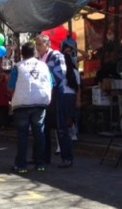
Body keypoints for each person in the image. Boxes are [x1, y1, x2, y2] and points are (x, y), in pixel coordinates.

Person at [8, 42, 53, 174]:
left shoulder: (18, 67)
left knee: (22, 135)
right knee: (39, 133)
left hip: (22, 104)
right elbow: (51, 83)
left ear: (21, 53)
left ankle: (21, 165)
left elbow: (10, 87)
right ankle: (40, 163)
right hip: (40, 102)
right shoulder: (44, 66)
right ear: (35, 53)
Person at [35, 34, 74, 168]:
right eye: (37, 45)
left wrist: (44, 83)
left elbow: (59, 75)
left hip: (57, 94)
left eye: (40, 44)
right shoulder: (37, 60)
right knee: (44, 128)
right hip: (44, 96)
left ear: (48, 44)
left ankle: (67, 157)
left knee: (61, 127)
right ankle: (45, 157)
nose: (38, 47)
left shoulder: (57, 56)